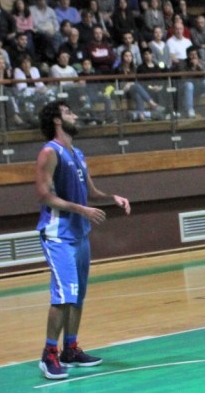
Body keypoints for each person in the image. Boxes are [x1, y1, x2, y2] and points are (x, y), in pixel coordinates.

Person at [34, 100, 131, 380]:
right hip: (57, 234)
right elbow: (43, 195)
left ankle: (70, 348)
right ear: (56, 120)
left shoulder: (77, 152)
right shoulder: (49, 152)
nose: (74, 115)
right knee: (63, 295)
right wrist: (82, 210)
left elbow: (89, 190)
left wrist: (111, 197)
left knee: (77, 295)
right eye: (68, 112)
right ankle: (48, 354)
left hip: (79, 233)